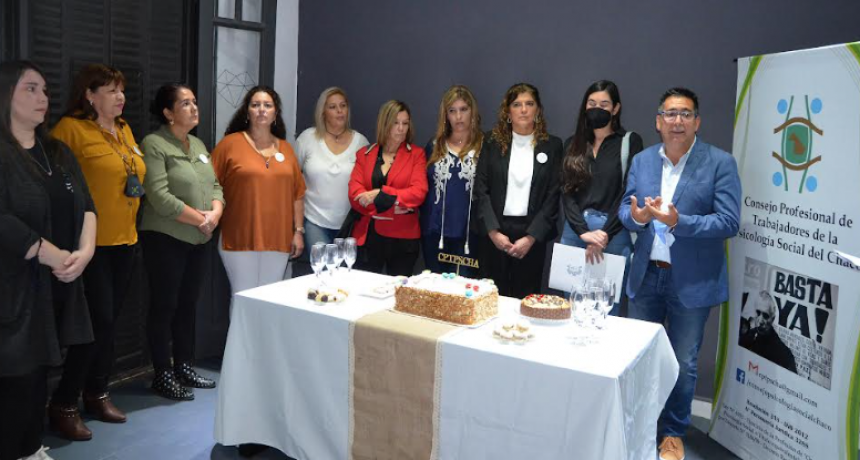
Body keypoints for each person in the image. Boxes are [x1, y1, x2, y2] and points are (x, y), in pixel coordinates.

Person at [618, 87, 741, 460]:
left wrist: (678, 221)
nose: (677, 121)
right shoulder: (641, 161)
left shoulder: (720, 163)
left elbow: (729, 221)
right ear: (658, 121)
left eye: (685, 114)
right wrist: (636, 217)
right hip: (646, 275)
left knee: (683, 363)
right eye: (670, 114)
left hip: (691, 280)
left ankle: (672, 434)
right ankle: (636, 426)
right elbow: (626, 208)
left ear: (697, 122)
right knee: (638, 356)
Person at [50, 63, 147, 437]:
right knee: (95, 326)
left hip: (126, 241)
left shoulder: (123, 129)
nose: (120, 97)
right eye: (110, 90)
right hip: (90, 247)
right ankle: (62, 403)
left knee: (109, 325)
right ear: (89, 95)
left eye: (121, 90)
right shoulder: (69, 130)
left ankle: (97, 392)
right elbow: (54, 187)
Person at [139, 83, 224, 401]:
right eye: (185, 103)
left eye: (194, 102)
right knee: (165, 306)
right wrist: (201, 219)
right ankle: (162, 373)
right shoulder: (154, 144)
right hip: (165, 238)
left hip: (199, 240)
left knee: (188, 306)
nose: (193, 108)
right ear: (168, 112)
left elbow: (215, 186)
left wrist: (215, 213)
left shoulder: (199, 144)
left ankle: (184, 366)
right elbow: (159, 197)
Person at [211, 86, 305, 303]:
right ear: (247, 111)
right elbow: (210, 185)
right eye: (255, 105)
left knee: (269, 301)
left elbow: (297, 194)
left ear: (275, 113)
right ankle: (239, 340)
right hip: (239, 238)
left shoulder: (287, 150)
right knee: (243, 300)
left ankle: (263, 339)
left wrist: (298, 231)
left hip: (279, 239)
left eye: (267, 105)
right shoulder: (229, 145)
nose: (261, 110)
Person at [560, 80, 643, 315]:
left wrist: (604, 234)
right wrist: (583, 232)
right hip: (575, 233)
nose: (597, 108)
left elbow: (628, 192)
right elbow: (567, 193)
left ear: (615, 108)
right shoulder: (572, 144)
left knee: (607, 310)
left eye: (604, 104)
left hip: (613, 234)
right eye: (592, 103)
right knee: (572, 308)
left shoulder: (629, 142)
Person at [474, 83, 562, 298]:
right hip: (495, 233)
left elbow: (553, 196)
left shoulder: (552, 145)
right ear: (508, 111)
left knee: (526, 301)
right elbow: (481, 189)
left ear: (538, 110)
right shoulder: (492, 142)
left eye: (529, 104)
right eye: (517, 104)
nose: (523, 110)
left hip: (531, 235)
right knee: (491, 300)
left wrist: (531, 238)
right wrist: (493, 232)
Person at [347, 100, 427, 276]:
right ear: (384, 124)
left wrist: (381, 194)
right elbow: (355, 194)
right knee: (364, 293)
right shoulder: (364, 154)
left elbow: (418, 193)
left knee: (397, 296)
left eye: (405, 123)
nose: (401, 129)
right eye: (395, 123)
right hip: (369, 237)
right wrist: (391, 208)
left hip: (403, 240)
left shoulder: (416, 155)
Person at [294, 87, 368, 275]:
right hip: (315, 221)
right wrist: (296, 227)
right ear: (323, 112)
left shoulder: (360, 142)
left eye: (343, 106)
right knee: (324, 273)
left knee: (343, 277)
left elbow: (366, 184)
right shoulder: (307, 139)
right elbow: (293, 182)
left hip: (348, 225)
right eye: (333, 107)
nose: (339, 111)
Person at [420, 85, 483, 277]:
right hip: (435, 234)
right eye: (452, 111)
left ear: (472, 111)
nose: (458, 117)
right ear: (445, 115)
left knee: (465, 292)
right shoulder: (434, 146)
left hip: (470, 236)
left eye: (463, 109)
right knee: (436, 291)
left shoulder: (485, 146)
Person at [739, 290, 797, 373]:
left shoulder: (784, 354)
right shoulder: (749, 334)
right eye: (758, 313)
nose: (760, 320)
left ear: (772, 319)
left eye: (765, 316)